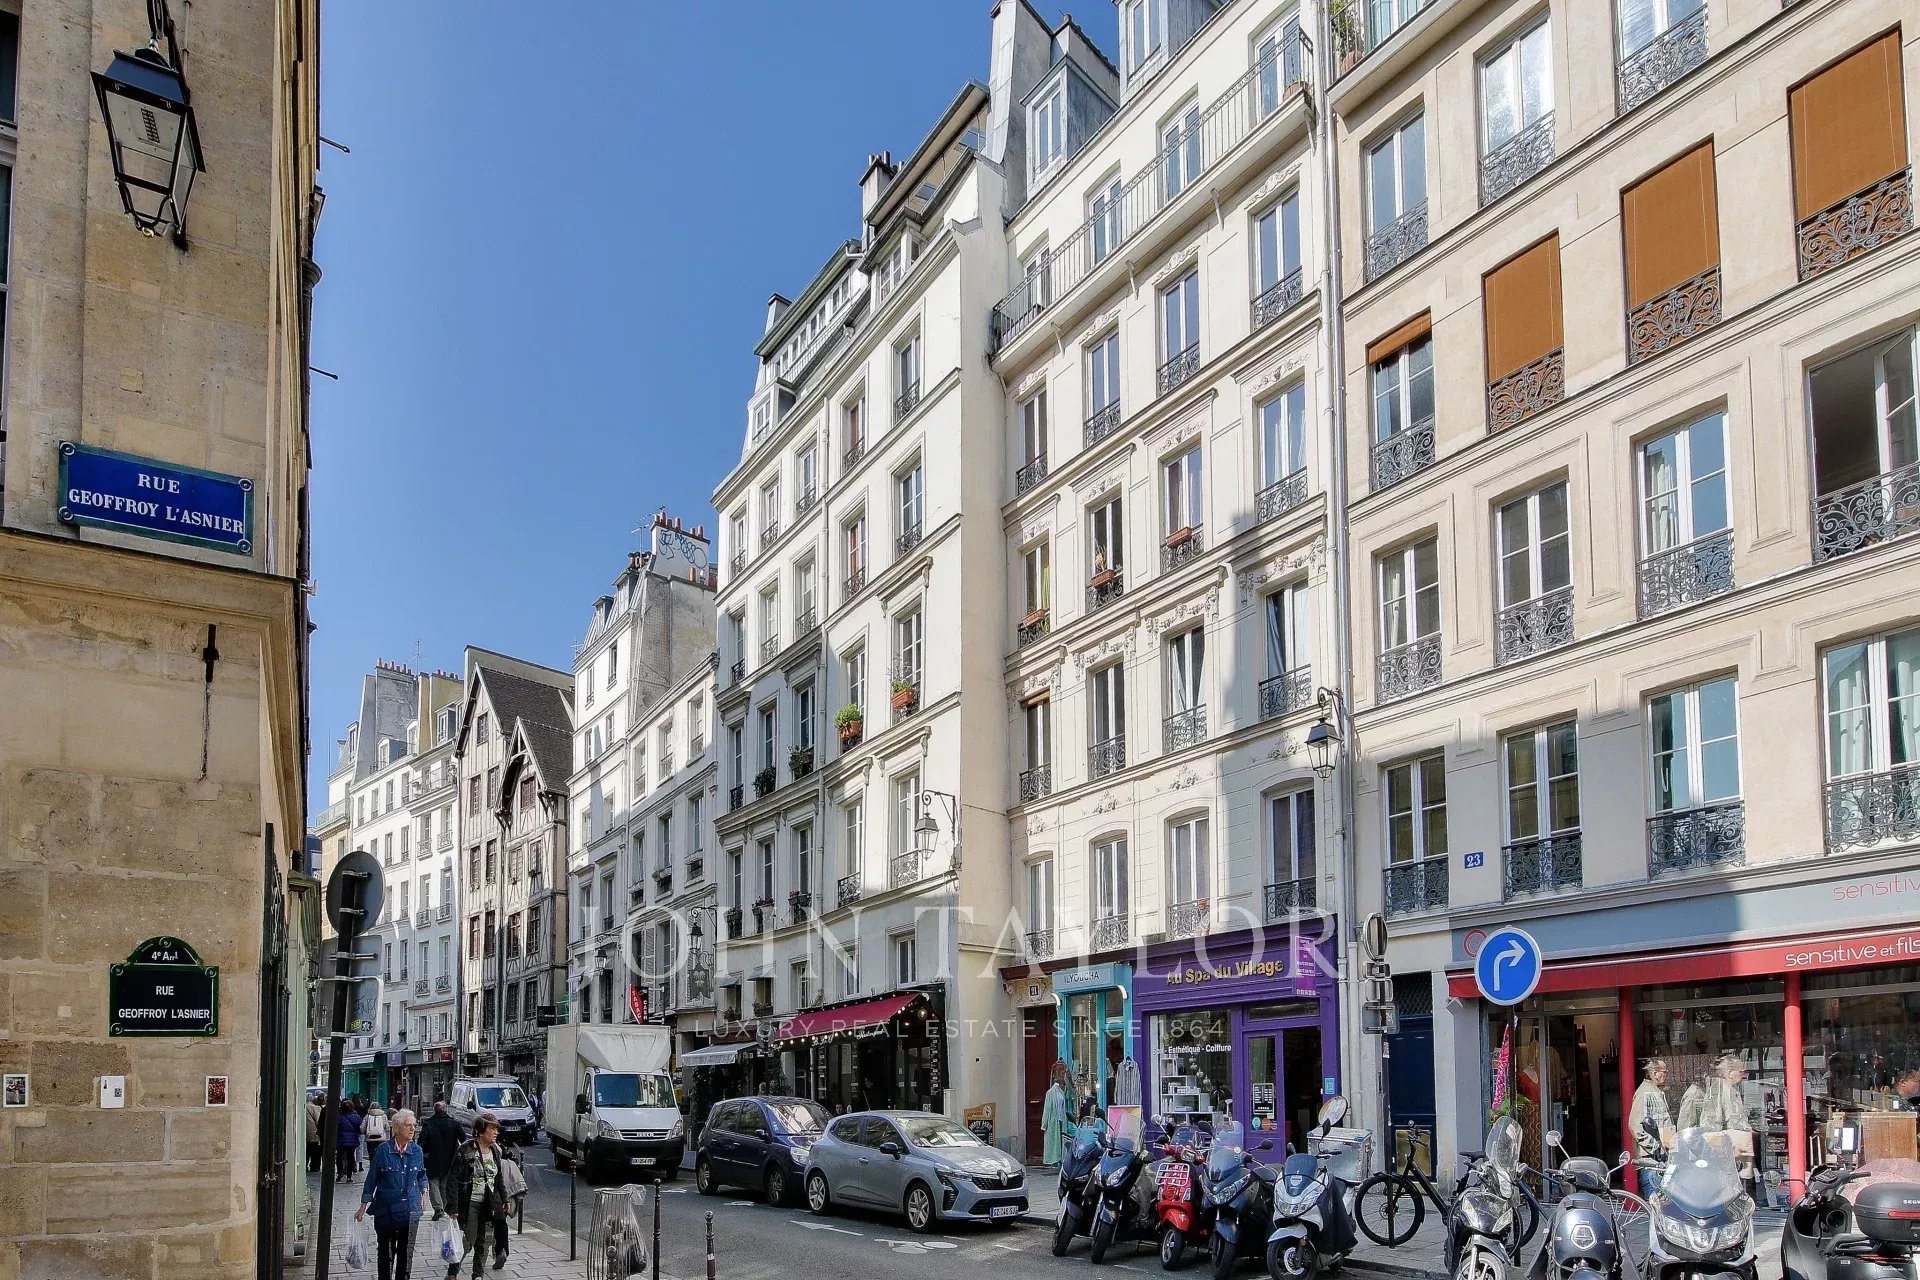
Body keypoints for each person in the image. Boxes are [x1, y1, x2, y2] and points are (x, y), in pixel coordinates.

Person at [359, 1108, 428, 1280]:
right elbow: (372, 1178)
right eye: (408, 1125)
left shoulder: (417, 1151)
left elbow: (421, 1174)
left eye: (414, 1125)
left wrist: (425, 1191)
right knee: (386, 1250)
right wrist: (363, 1205)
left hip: (410, 1208)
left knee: (406, 1251)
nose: (413, 1129)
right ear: (397, 1128)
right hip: (386, 1208)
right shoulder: (383, 1150)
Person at [446, 1117, 513, 1276]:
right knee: (469, 1240)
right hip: (470, 1202)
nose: (496, 1132)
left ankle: (477, 1275)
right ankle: (452, 1273)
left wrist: (505, 1198)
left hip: (488, 1203)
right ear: (481, 1131)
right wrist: (453, 1206)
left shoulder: (494, 1150)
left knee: (483, 1242)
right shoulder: (467, 1149)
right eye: (492, 1129)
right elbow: (453, 1179)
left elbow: (498, 1177)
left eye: (496, 1129)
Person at [1628, 1057, 1673, 1196]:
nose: (1666, 1075)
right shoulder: (1644, 1093)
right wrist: (1655, 1147)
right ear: (1654, 1073)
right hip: (1651, 1160)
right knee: (1654, 1200)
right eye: (1664, 1072)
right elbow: (1635, 1125)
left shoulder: (1656, 1091)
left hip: (1661, 1158)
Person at [419, 1101, 465, 1220]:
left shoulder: (428, 1123)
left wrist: (424, 1153)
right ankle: (444, 1208)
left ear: (434, 1110)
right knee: (445, 1183)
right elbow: (464, 1139)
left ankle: (438, 1208)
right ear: (446, 1109)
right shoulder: (454, 1123)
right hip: (450, 1157)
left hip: (432, 1158)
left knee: (433, 1182)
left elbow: (421, 1141)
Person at [1042, 1062, 1071, 1167]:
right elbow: (1047, 1109)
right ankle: (1054, 1161)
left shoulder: (1062, 1092)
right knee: (1054, 1141)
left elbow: (1069, 1096)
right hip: (1053, 1120)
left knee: (1062, 1140)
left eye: (1062, 1074)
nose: (1061, 1077)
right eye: (1059, 1074)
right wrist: (1044, 1124)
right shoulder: (1050, 1093)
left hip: (1061, 1119)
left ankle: (1062, 1160)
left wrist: (1068, 1080)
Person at [336, 1102, 365, 1183]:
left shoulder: (339, 1117)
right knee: (350, 1158)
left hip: (341, 1140)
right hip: (352, 1140)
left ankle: (340, 1173)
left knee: (339, 1157)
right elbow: (360, 1125)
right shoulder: (356, 1116)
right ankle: (349, 1176)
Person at [364, 1103, 390, 1168]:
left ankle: (372, 1169)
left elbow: (362, 1127)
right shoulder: (383, 1115)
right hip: (381, 1139)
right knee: (380, 1155)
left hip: (370, 1139)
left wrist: (365, 1133)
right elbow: (387, 1128)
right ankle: (380, 1168)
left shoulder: (367, 1116)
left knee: (371, 1156)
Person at [306, 1094, 324, 1174]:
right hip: (314, 1132)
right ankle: (314, 1167)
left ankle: (305, 1165)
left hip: (307, 1132)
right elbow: (318, 1120)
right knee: (315, 1151)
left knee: (307, 1151)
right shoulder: (314, 1107)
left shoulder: (304, 1106)